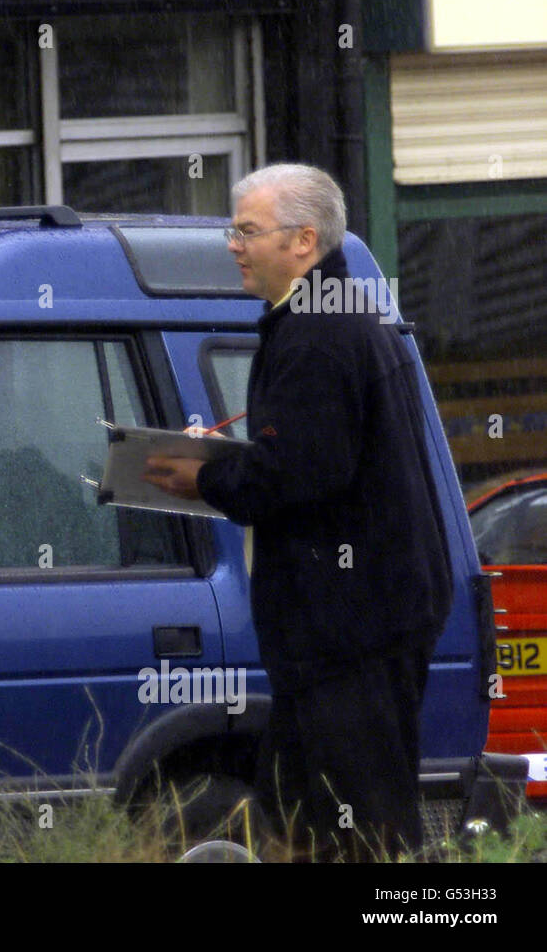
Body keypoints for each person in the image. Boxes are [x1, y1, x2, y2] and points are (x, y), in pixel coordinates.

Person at [140, 163, 453, 861]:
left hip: (351, 626)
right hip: (355, 621)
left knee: (361, 827)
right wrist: (226, 459)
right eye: (234, 229)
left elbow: (299, 473)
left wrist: (208, 477)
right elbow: (316, 454)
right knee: (301, 812)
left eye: (248, 231)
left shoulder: (319, 332)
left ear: (303, 240)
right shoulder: (333, 314)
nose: (233, 244)